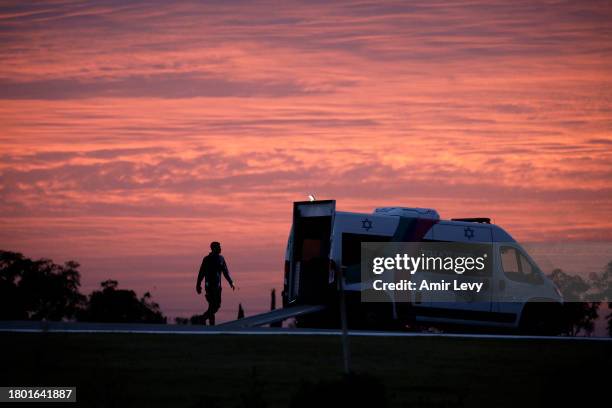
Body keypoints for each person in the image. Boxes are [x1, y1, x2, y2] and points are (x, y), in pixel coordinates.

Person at [196, 241, 235, 325]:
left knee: (215, 306)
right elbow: (201, 272)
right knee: (213, 305)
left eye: (220, 247)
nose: (220, 248)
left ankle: (205, 320)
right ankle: (204, 319)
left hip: (218, 287)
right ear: (213, 248)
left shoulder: (221, 258)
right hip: (209, 286)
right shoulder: (207, 259)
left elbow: (225, 271)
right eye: (218, 247)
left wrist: (231, 282)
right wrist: (198, 285)